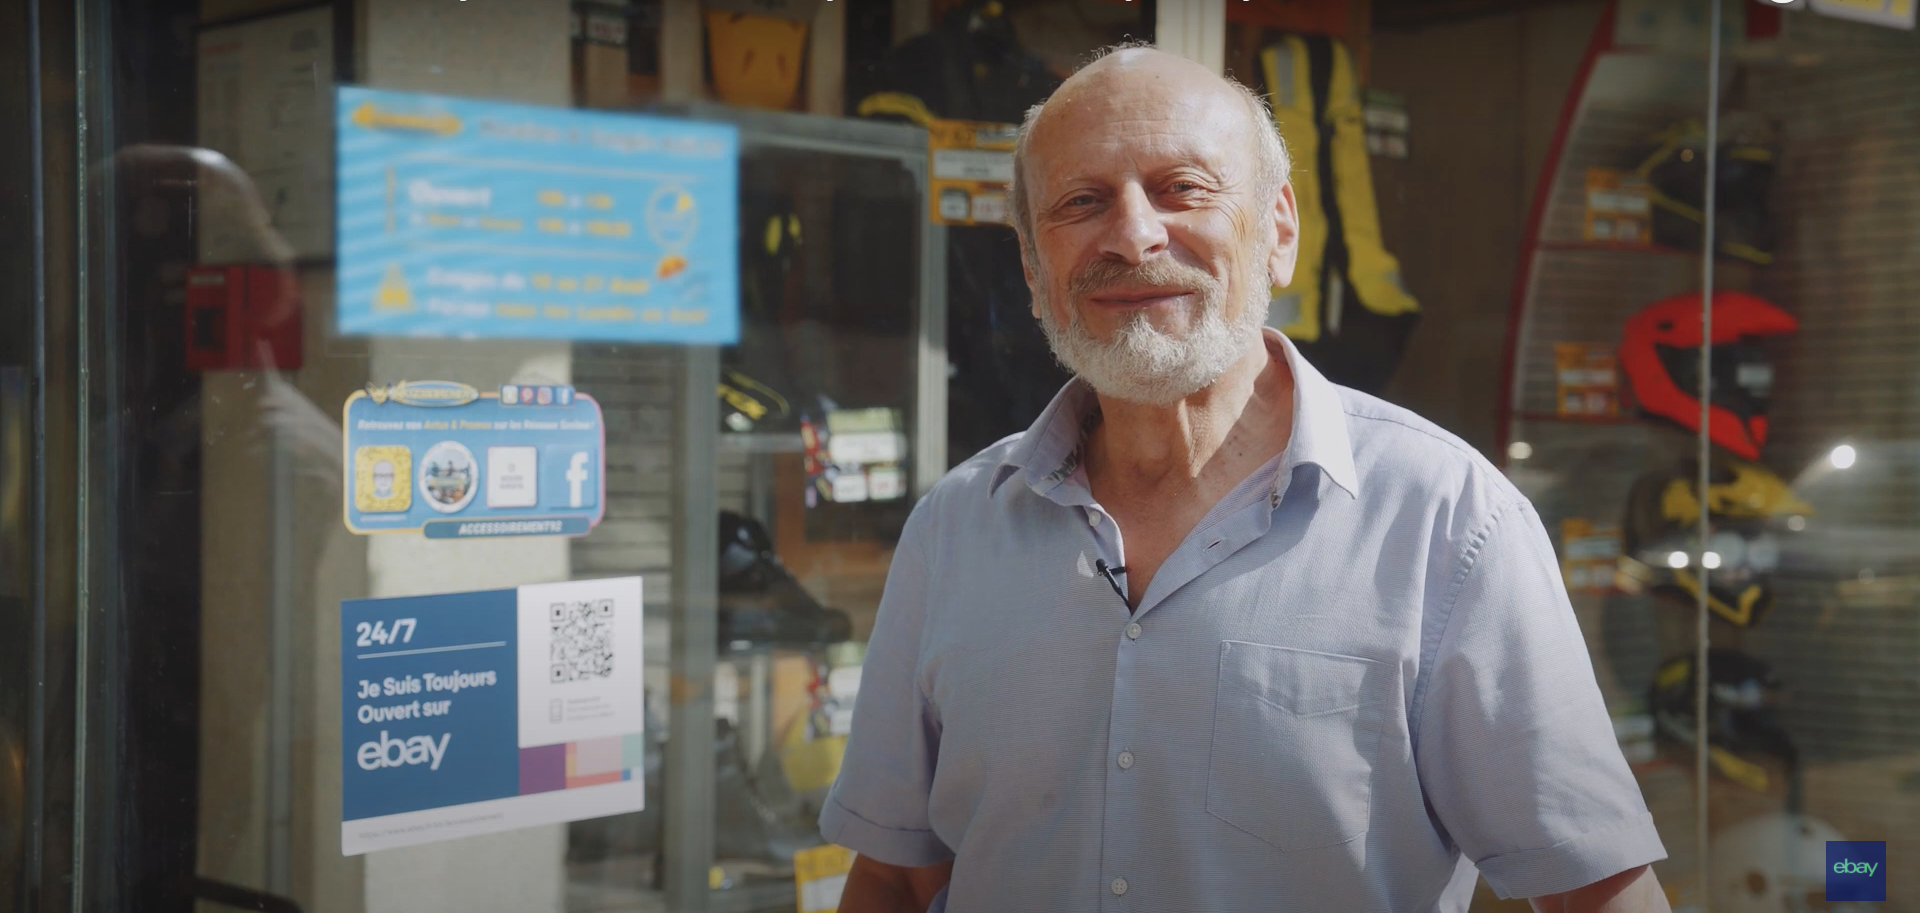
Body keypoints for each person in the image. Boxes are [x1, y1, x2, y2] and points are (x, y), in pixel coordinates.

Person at [820, 45, 1671, 913]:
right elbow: (894, 875)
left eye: (1182, 188)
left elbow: (1594, 891)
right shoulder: (958, 526)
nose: (1134, 234)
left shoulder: (1446, 520)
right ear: (1035, 271)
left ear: (1278, 232)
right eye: (1081, 202)